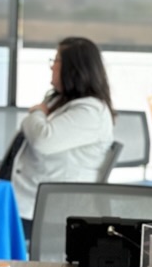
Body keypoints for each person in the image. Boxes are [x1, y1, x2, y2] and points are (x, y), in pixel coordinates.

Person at [10, 37, 116, 238]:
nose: (51, 67)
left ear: (73, 68)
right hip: (26, 196)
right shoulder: (59, 100)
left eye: (56, 60)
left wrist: (37, 113)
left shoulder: (91, 112)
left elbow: (42, 139)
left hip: (47, 211)